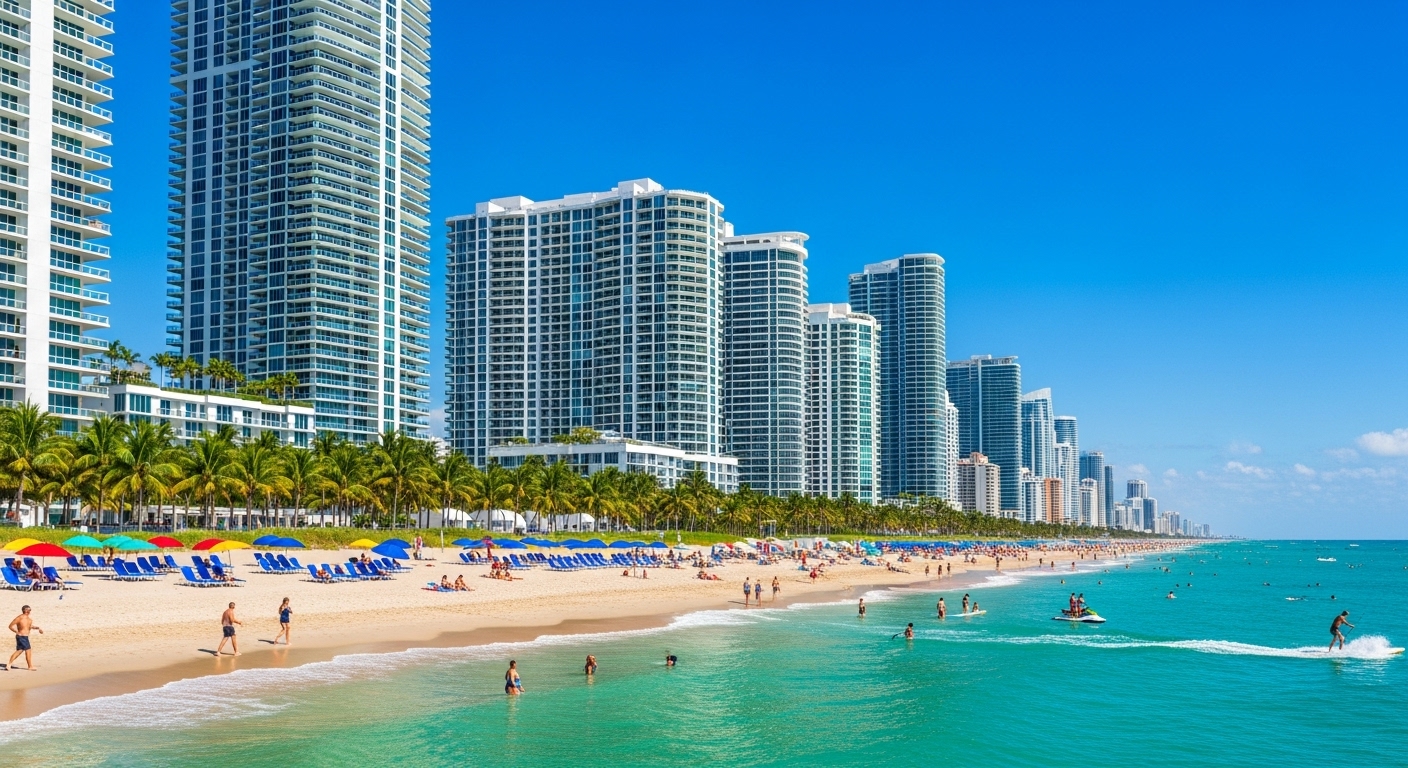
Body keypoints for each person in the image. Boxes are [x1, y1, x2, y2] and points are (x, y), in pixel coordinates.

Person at [5, 605, 42, 671]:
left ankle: (10, 664)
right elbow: (10, 626)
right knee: (25, 650)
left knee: (23, 650)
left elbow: (29, 626)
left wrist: (37, 628)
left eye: (30, 610)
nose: (29, 611)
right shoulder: (20, 618)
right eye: (28, 610)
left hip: (25, 637)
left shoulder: (29, 619)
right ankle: (29, 666)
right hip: (21, 636)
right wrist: (16, 631)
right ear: (24, 610)